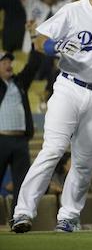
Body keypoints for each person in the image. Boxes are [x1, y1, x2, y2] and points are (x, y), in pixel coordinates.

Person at [12, 0, 92, 233]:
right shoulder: (73, 12)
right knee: (52, 150)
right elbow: (39, 40)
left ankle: (69, 217)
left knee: (85, 161)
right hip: (70, 89)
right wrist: (56, 45)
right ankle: (23, 212)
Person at [0, 25, 44, 218]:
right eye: (4, 62)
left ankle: (17, 218)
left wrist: (33, 36)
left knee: (22, 183)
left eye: (10, 61)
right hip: (1, 140)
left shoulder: (19, 82)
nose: (9, 64)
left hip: (20, 142)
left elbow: (34, 63)